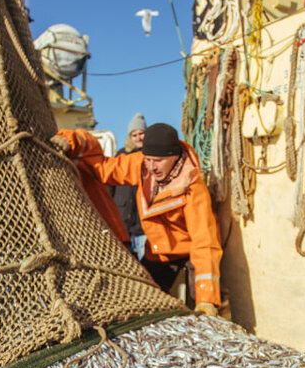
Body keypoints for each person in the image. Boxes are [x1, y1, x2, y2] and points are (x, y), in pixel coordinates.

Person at [56, 122, 222, 315]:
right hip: (158, 254)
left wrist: (206, 299)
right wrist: (72, 141)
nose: (151, 167)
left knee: (203, 310)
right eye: (148, 159)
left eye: (158, 161)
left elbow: (205, 243)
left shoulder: (193, 189)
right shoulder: (140, 164)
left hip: (191, 255)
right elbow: (102, 168)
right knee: (143, 300)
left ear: (175, 157)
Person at [111, 113, 146, 257]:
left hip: (143, 227)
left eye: (141, 133)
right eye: (134, 134)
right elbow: (110, 185)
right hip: (123, 224)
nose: (138, 137)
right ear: (130, 137)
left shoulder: (151, 157)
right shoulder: (121, 155)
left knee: (146, 264)